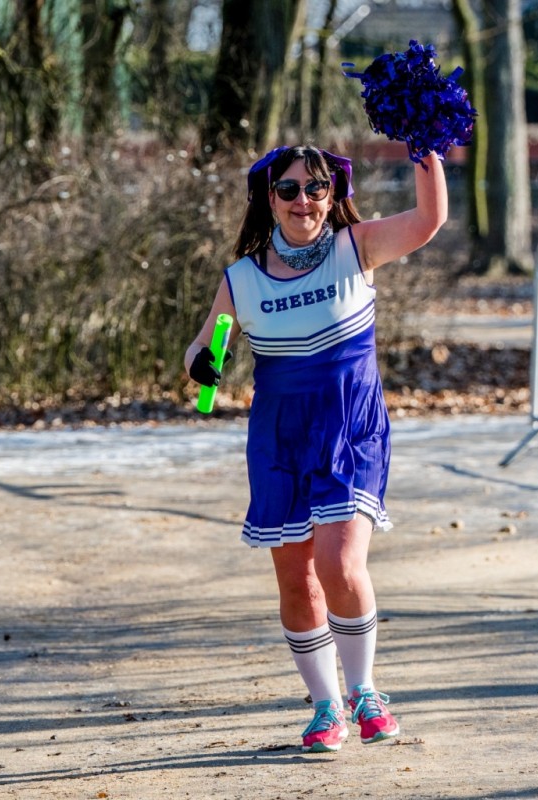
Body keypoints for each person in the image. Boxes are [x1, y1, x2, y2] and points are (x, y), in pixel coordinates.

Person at [184, 145, 447, 752]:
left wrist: (424, 145)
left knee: (339, 564)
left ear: (333, 195)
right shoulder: (242, 278)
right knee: (298, 581)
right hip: (279, 439)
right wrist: (201, 363)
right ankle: (326, 707)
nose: (302, 200)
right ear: (268, 198)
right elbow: (203, 345)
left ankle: (365, 693)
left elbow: (428, 220)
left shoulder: (358, 249)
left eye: (316, 188)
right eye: (289, 189)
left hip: (350, 428)